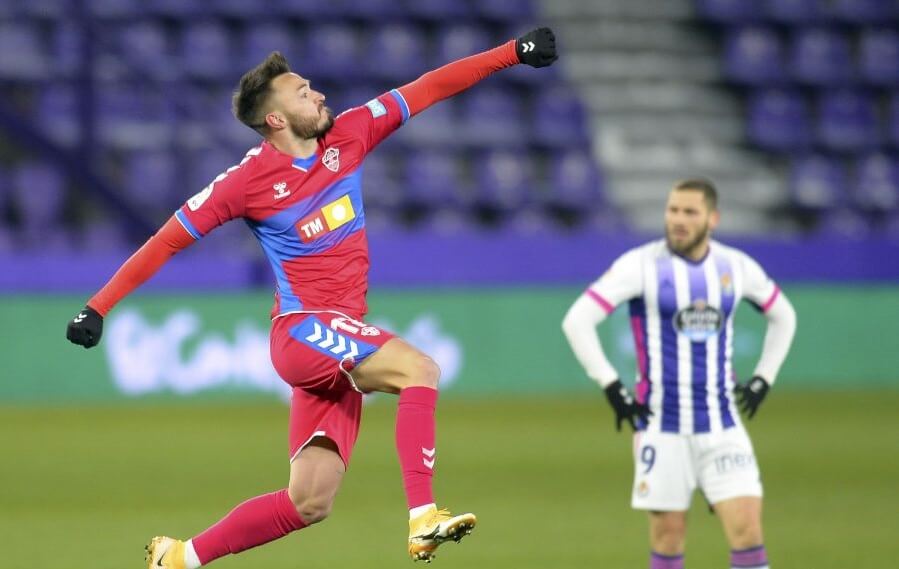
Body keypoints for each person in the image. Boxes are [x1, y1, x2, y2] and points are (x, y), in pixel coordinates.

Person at [65, 28, 558, 567]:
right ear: (275, 119)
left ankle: (183, 557)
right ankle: (423, 517)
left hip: (335, 334)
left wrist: (511, 52)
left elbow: (430, 86)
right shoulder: (245, 182)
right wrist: (98, 306)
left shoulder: (349, 134)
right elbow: (167, 241)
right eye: (302, 92)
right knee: (421, 369)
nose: (319, 95)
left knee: (308, 502)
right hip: (303, 329)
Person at [561, 179, 797, 569]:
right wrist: (611, 386)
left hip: (722, 425)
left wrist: (763, 378)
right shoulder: (639, 265)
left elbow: (783, 314)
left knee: (748, 532)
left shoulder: (735, 267)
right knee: (668, 537)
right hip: (660, 427)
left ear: (713, 218)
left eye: (690, 212)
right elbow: (578, 320)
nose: (678, 220)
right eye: (673, 210)